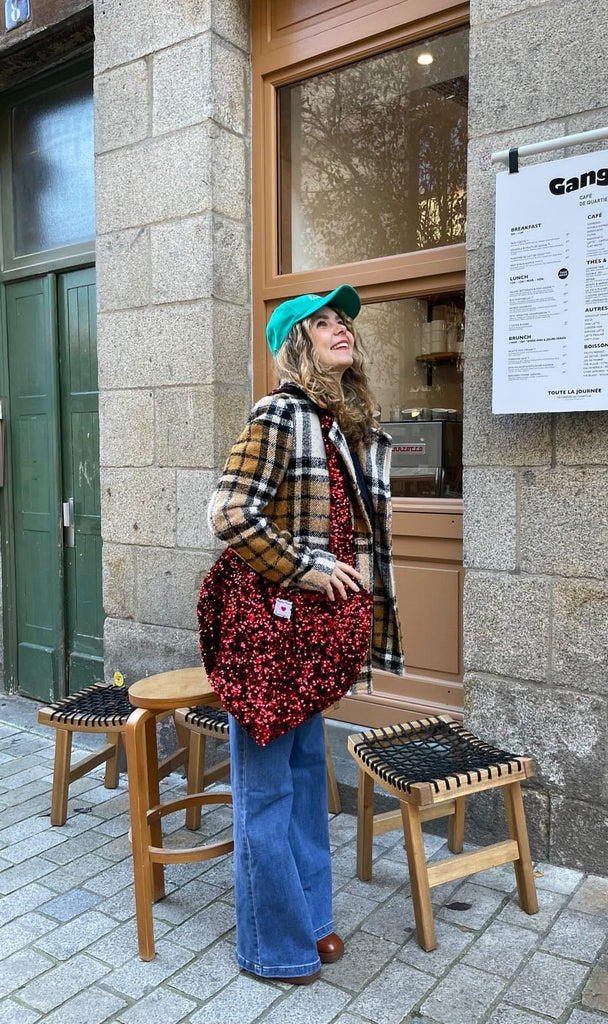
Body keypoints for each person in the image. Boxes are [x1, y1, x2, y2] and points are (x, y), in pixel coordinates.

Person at [206, 284, 403, 984]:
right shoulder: (282, 413)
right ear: (298, 344)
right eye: (322, 323)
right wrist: (306, 570)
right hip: (269, 636)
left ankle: (313, 919)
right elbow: (229, 513)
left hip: (306, 640)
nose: (340, 330)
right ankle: (274, 944)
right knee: (266, 792)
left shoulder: (335, 423)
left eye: (343, 321)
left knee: (303, 779)